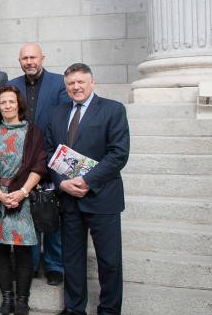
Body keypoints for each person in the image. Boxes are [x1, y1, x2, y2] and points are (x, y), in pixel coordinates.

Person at [45, 63, 130, 315]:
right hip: (69, 199)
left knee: (109, 261)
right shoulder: (56, 113)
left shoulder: (113, 109)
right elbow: (50, 152)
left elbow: (118, 154)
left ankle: (109, 310)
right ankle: (73, 308)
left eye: (81, 82)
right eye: (71, 83)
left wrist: (87, 181)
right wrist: (61, 182)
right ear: (65, 86)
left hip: (102, 197)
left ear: (92, 82)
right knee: (72, 259)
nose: (76, 87)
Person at [0, 85, 48, 315]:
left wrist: (22, 192)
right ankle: (7, 299)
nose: (7, 106)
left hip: (23, 199)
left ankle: (22, 301)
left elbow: (40, 164)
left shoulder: (34, 131)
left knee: (23, 252)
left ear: (19, 104)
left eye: (11, 101)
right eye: (3, 102)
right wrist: (0, 194)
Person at [7, 43, 70, 286]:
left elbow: (64, 117)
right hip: (22, 161)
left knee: (51, 210)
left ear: (42, 57)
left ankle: (54, 265)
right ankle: (29, 265)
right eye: (24, 58)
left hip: (51, 157)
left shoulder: (58, 83)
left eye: (33, 57)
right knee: (28, 213)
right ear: (20, 61)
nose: (29, 61)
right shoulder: (14, 85)